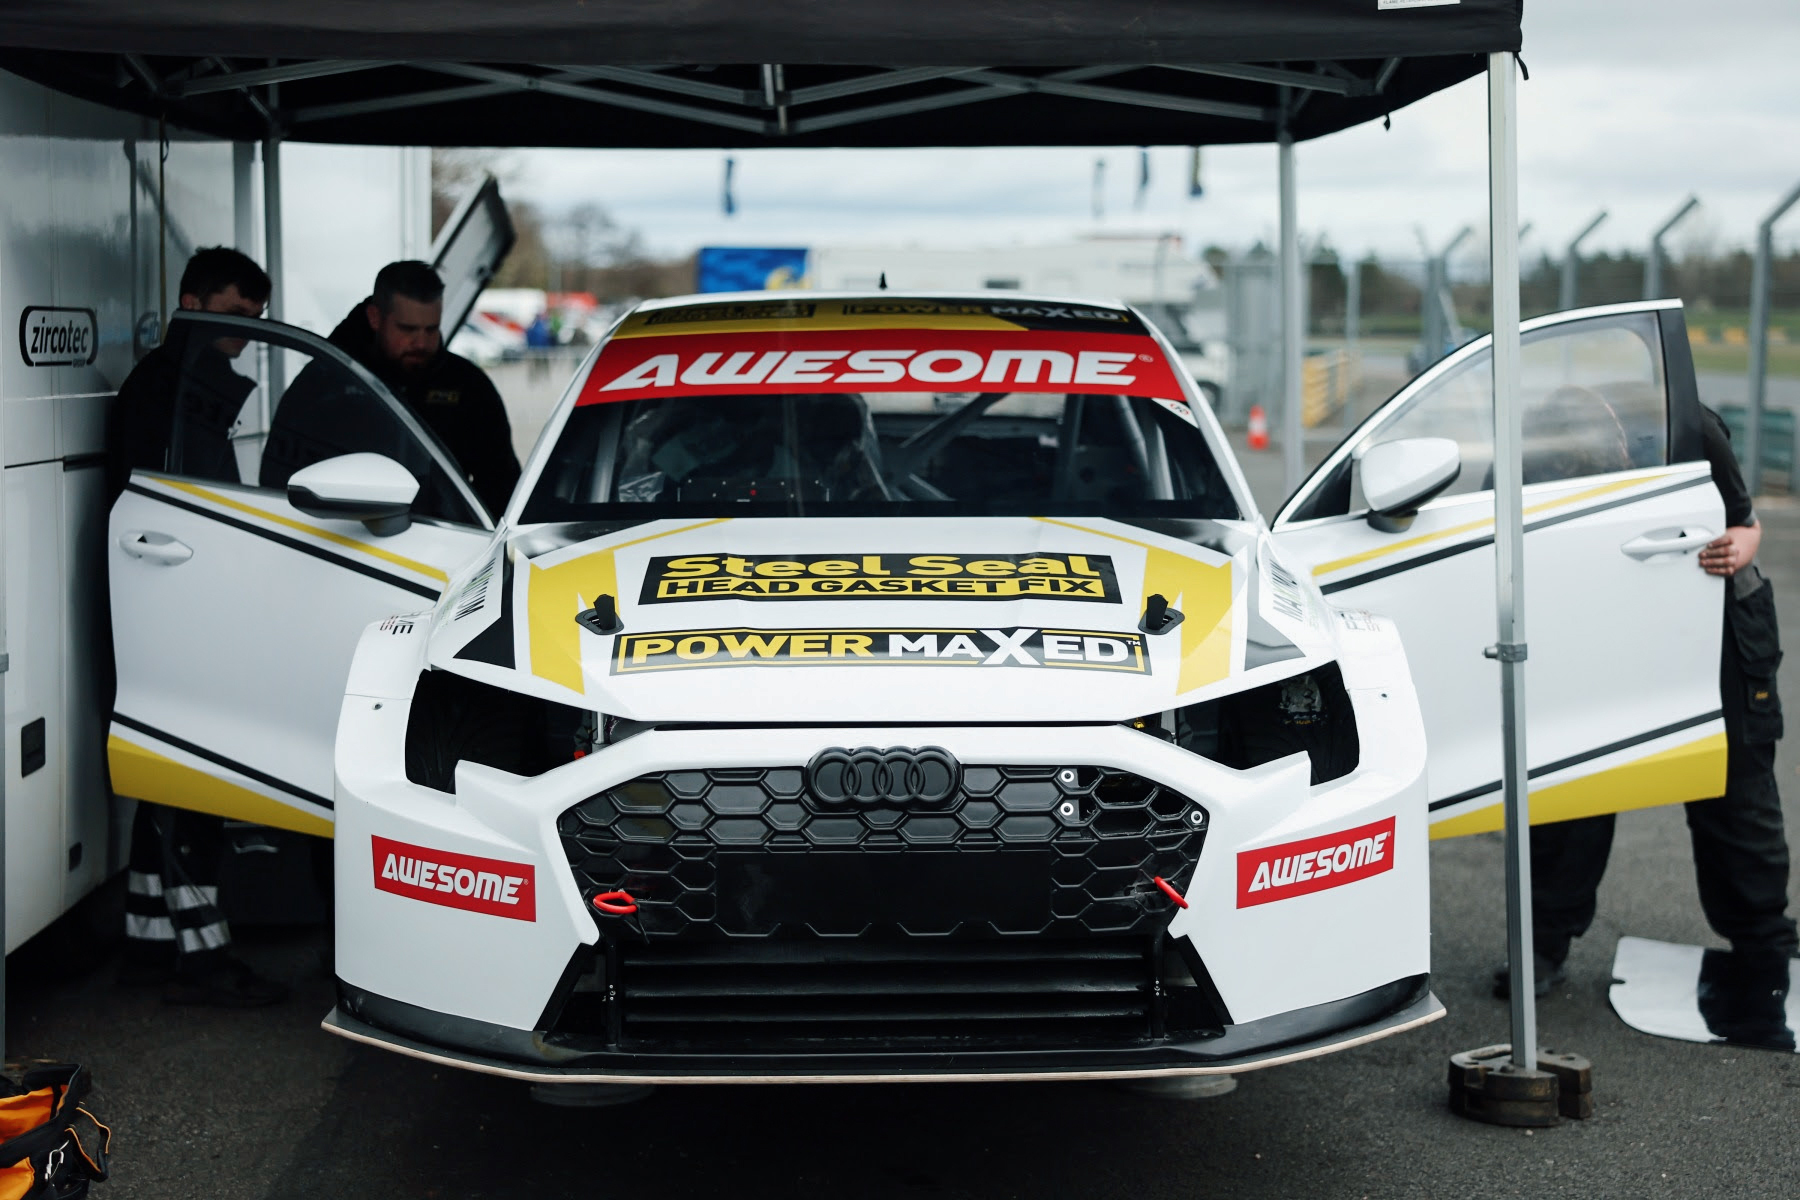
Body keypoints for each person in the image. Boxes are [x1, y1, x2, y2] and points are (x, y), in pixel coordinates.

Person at [1502, 405, 1797, 1013]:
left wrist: (1738, 546)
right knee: (1574, 786)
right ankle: (1542, 945)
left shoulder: (1688, 427)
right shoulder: (1528, 445)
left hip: (1717, 620)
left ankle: (1766, 943)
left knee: (1737, 793)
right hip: (1601, 619)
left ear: (1624, 443)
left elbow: (1745, 523)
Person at [106, 247, 289, 1006]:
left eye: (256, 318)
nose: (246, 332)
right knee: (197, 783)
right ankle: (204, 959)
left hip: (168, 605)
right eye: (234, 314)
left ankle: (150, 944)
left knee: (167, 783)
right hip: (178, 610)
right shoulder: (178, 391)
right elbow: (175, 512)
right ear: (190, 302)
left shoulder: (176, 383)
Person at [325, 261, 520, 516]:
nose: (421, 343)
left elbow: (501, 486)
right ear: (375, 318)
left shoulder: (469, 387)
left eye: (431, 329)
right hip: (338, 529)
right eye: (407, 329)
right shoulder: (331, 380)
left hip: (440, 536)